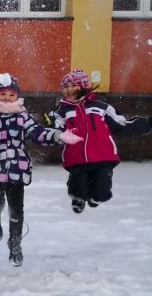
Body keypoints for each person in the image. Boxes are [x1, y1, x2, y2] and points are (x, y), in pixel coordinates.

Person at [0, 73, 76, 266]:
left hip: (17, 168)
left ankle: (15, 243)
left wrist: (59, 135)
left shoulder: (23, 117)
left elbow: (38, 132)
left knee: (17, 208)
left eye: (11, 95)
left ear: (17, 97)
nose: (7, 98)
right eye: (3, 94)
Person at [49, 69, 150, 212]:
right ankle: (78, 197)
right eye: (65, 87)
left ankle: (96, 198)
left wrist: (147, 124)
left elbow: (121, 125)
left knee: (102, 192)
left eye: (73, 85)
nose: (69, 89)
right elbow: (56, 131)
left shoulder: (101, 107)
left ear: (83, 86)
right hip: (76, 157)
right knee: (78, 187)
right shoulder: (60, 112)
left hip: (103, 157)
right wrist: (51, 126)